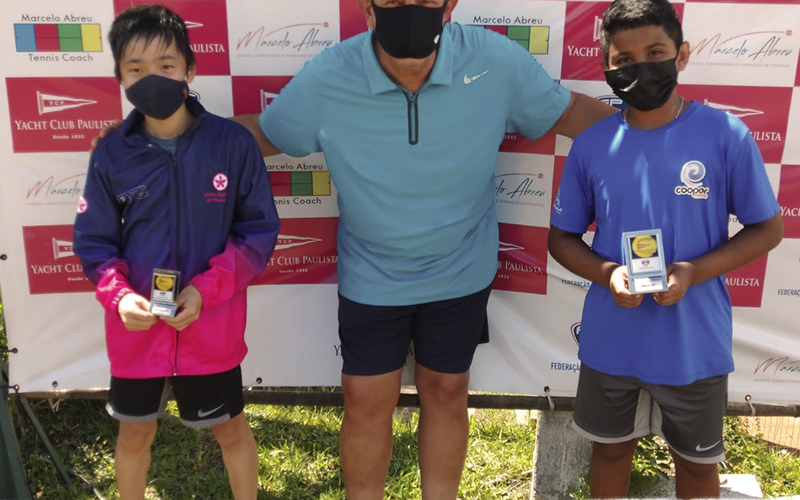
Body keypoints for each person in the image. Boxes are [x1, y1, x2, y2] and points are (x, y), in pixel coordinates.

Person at [228, 1, 616, 498]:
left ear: (449, 4)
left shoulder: (493, 59)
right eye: (392, 0)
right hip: (372, 273)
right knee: (365, 400)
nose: (409, 10)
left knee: (447, 393)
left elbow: (570, 113)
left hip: (461, 269)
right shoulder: (330, 74)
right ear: (367, 6)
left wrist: (659, 139)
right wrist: (170, 139)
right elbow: (263, 134)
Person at [547, 0, 784, 497]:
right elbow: (562, 239)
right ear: (607, 67)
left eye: (655, 52)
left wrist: (694, 271)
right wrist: (608, 273)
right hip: (612, 341)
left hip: (693, 344)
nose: (641, 67)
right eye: (624, 59)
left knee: (696, 467)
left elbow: (767, 229)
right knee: (610, 453)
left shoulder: (726, 135)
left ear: (682, 54)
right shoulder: (592, 145)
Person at [73, 5, 280, 499]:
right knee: (134, 434)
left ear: (190, 69)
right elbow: (94, 243)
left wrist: (206, 291)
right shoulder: (111, 153)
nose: (152, 78)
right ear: (119, 77)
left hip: (211, 328)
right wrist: (120, 297)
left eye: (166, 65)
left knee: (231, 430)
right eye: (136, 68)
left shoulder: (232, 143)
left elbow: (257, 233)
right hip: (137, 333)